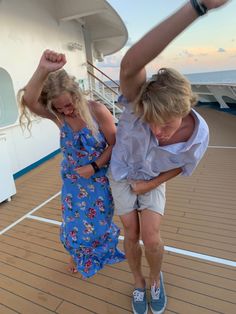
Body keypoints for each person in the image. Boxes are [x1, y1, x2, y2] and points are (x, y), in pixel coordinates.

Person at [108, 1, 229, 313]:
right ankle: (138, 282)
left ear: (185, 109)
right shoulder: (138, 103)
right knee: (130, 234)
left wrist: (150, 186)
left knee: (152, 239)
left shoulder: (198, 138)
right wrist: (197, 7)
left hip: (153, 180)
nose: (158, 133)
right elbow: (131, 64)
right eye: (151, 124)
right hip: (121, 174)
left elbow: (182, 167)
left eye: (166, 125)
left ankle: (156, 278)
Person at [18, 50, 125, 278]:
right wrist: (43, 68)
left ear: (76, 94)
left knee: (98, 223)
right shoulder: (59, 117)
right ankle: (78, 254)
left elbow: (115, 145)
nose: (67, 111)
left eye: (69, 104)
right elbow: (29, 100)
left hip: (98, 180)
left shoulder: (97, 111)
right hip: (72, 183)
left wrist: (94, 166)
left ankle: (96, 253)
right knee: (73, 224)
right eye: (60, 108)